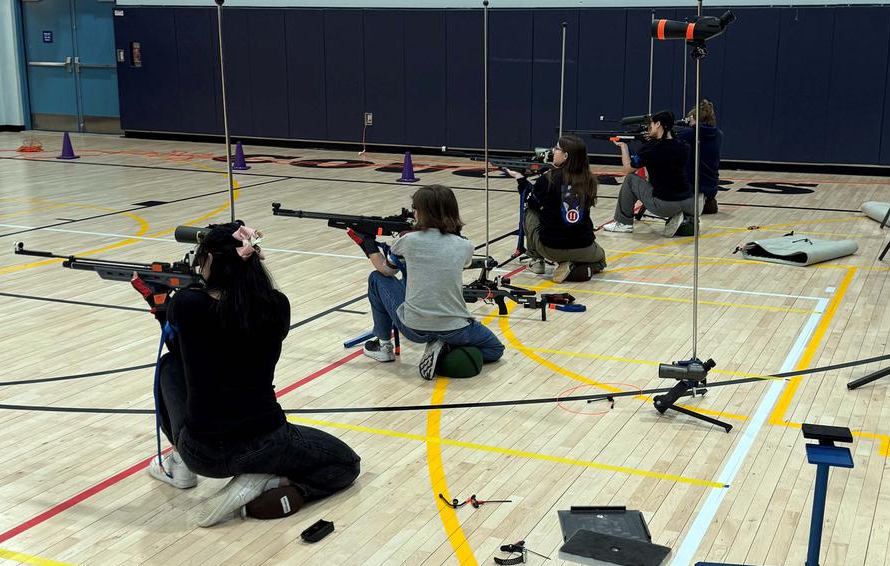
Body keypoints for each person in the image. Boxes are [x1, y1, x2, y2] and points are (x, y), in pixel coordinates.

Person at [133, 221, 360, 527]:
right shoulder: (277, 307)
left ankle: (179, 466)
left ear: (211, 260)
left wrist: (159, 303)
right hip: (266, 439)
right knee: (346, 464)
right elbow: (231, 328)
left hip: (201, 451)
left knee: (171, 366)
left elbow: (176, 341)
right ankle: (272, 483)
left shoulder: (187, 304)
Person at [355, 184, 505, 379]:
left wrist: (367, 244)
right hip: (456, 327)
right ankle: (444, 348)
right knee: (495, 349)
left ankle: (384, 347)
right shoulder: (465, 246)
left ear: (422, 212)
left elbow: (385, 269)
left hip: (414, 327)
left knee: (377, 278)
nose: (413, 212)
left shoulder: (407, 241)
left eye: (415, 208)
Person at [503, 134, 606, 283]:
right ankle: (573, 266)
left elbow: (531, 202)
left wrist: (521, 180)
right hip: (583, 245)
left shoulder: (548, 178)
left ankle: (536, 260)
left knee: (529, 212)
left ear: (565, 155)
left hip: (552, 247)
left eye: (557, 148)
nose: (553, 150)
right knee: (600, 260)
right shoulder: (590, 180)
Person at [602, 110, 697, 237]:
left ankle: (623, 223)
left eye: (650, 124)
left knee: (630, 179)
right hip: (689, 202)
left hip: (665, 205)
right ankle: (685, 218)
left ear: (658, 124)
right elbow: (666, 156)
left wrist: (623, 147)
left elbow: (627, 169)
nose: (649, 128)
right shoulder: (684, 146)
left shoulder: (651, 149)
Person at [677, 99, 723, 214]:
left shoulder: (687, 134)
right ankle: (707, 200)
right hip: (711, 186)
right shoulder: (718, 135)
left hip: (690, 185)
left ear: (693, 119)